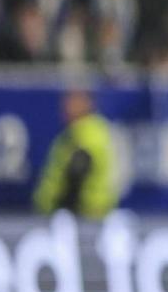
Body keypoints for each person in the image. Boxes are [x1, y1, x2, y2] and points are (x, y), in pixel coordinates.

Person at [32, 88, 119, 218]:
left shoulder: (87, 134)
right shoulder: (73, 132)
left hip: (83, 213)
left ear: (87, 104)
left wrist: (65, 208)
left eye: (74, 102)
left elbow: (78, 171)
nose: (67, 107)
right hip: (71, 213)